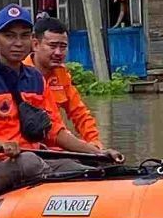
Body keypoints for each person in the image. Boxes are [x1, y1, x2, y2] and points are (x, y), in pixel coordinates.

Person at [0, 5, 94, 199]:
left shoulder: (36, 79)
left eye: (24, 36)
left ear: (32, 40)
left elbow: (55, 131)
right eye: (10, 36)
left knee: (86, 165)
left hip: (31, 159)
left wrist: (95, 152)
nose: (18, 43)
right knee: (28, 161)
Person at [32, 18, 113, 153]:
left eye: (63, 47)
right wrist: (88, 150)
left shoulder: (61, 74)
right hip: (35, 149)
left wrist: (95, 142)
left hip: (60, 146)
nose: (58, 53)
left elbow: (80, 113)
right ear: (35, 45)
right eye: (52, 46)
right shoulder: (22, 75)